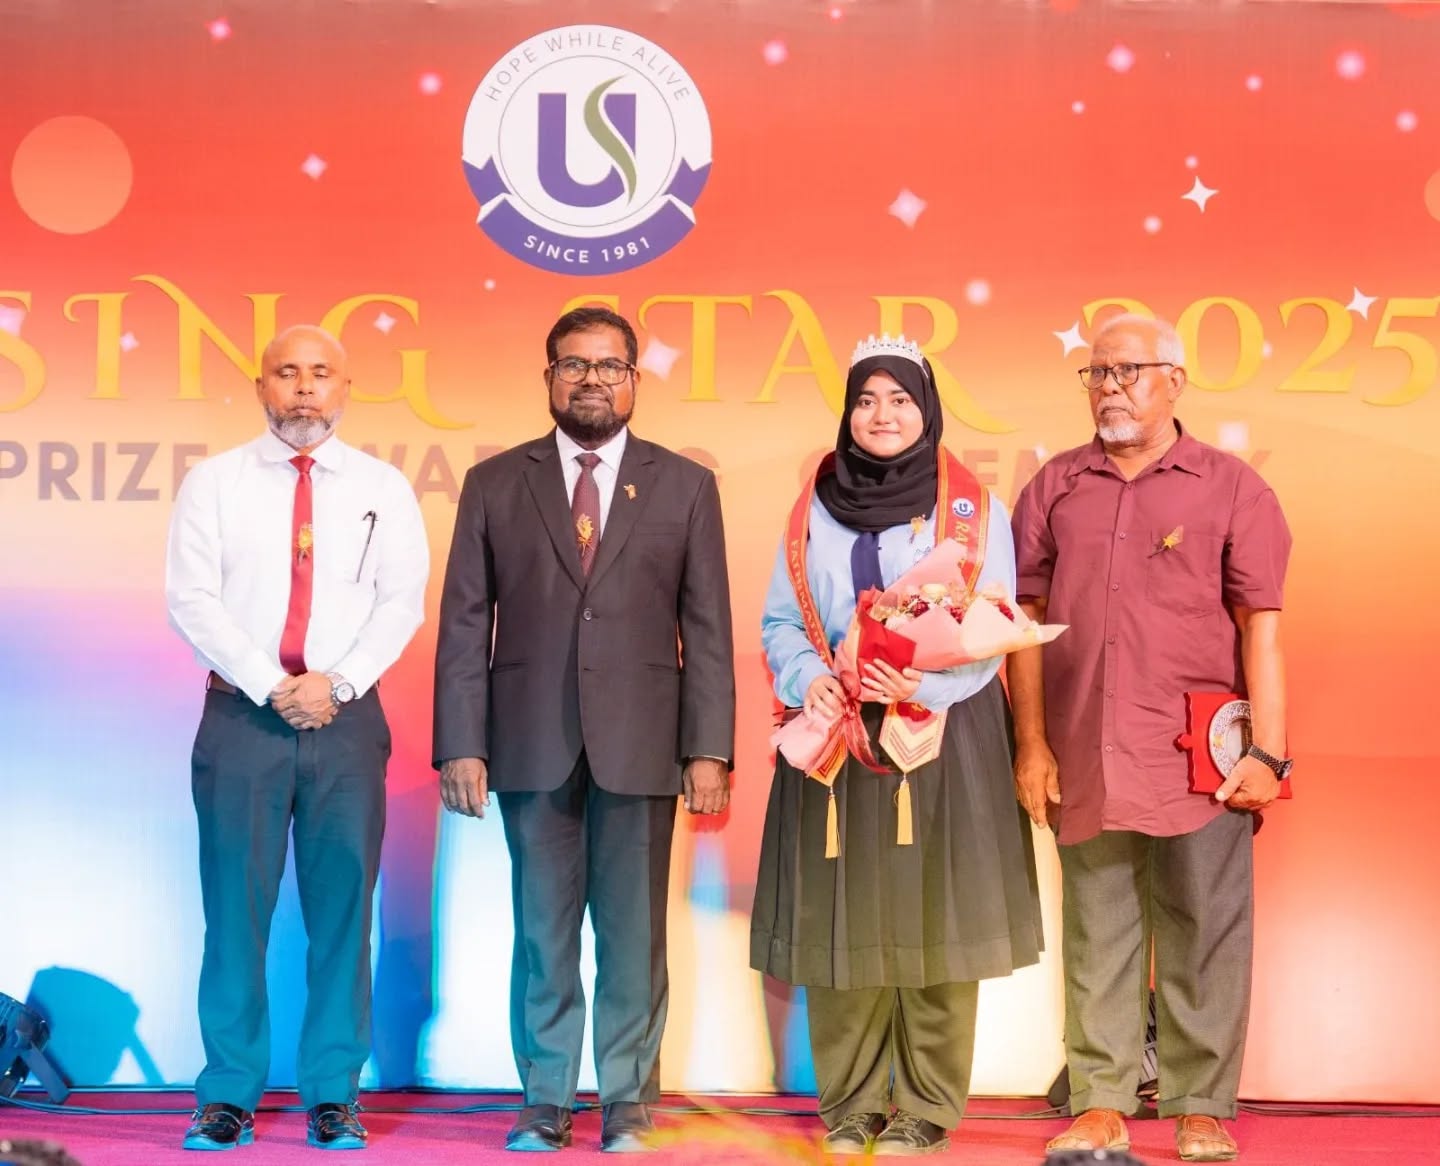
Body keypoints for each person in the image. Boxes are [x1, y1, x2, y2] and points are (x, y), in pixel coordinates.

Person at [433, 306, 736, 1153]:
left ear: (635, 379)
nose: (592, 379)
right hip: (530, 743)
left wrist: (708, 748)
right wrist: (462, 742)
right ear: (550, 378)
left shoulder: (685, 485)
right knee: (542, 933)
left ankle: (629, 1099)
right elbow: (464, 623)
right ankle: (545, 1098)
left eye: (610, 365)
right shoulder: (495, 483)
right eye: (575, 364)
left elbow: (707, 628)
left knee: (635, 937)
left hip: (644, 745)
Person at [750, 334, 1044, 1157]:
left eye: (901, 400)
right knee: (836, 921)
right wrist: (809, 674)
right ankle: (849, 1104)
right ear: (848, 413)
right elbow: (781, 620)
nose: (882, 415)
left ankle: (927, 1105)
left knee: (938, 920)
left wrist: (923, 684)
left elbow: (995, 625)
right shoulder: (811, 508)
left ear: (928, 410)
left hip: (945, 737)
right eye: (866, 400)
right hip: (835, 735)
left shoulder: (973, 510)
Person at [1009, 314, 1292, 1163]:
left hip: (1203, 758)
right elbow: (1022, 622)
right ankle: (1100, 1101)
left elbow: (1262, 627)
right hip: (1085, 750)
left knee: (1206, 929)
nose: (1110, 388)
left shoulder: (1232, 487)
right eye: (1097, 373)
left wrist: (1269, 753)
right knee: (1097, 931)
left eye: (1128, 371)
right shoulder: (1055, 486)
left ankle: (1201, 1104)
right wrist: (1032, 742)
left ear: (1174, 379)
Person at [165, 325, 429, 1151]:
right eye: (288, 372)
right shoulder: (214, 483)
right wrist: (269, 682)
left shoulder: (383, 486)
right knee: (233, 914)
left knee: (344, 913)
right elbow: (191, 599)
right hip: (243, 719)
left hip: (345, 724)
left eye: (321, 374)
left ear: (345, 389)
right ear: (261, 387)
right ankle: (227, 1093)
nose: (305, 388)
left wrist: (335, 684)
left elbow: (402, 602)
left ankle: (333, 1094)